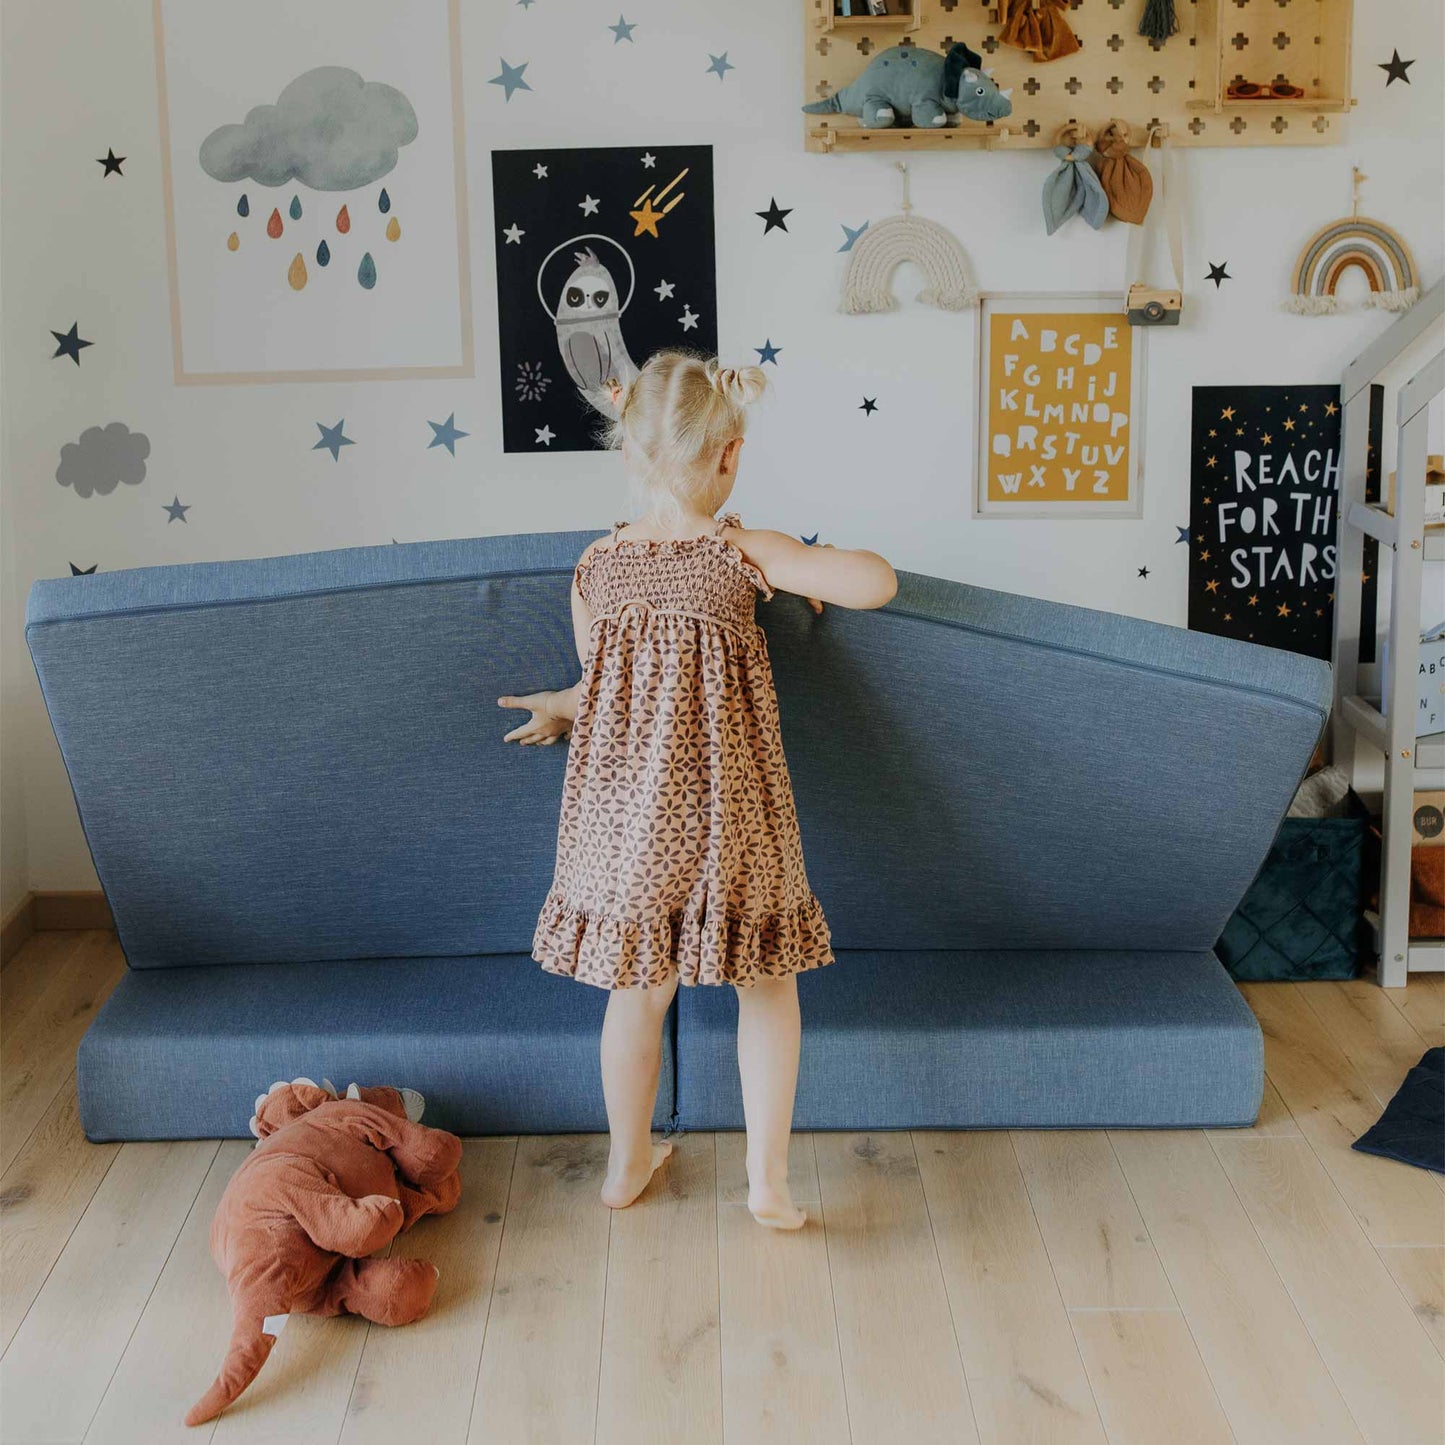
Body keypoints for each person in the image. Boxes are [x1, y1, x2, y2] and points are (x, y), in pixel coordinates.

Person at [498, 351, 896, 1229]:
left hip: (626, 823)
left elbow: (595, 676)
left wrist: (562, 710)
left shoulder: (595, 566)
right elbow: (876, 583)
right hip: (727, 814)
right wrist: (797, 562)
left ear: (629, 452)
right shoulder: (739, 552)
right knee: (767, 985)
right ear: (730, 455)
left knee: (634, 992)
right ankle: (766, 1183)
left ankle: (625, 1164)